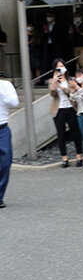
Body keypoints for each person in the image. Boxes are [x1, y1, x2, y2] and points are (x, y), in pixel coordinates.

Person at [48, 59, 83, 168]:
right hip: (59, 109)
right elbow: (52, 93)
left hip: (71, 107)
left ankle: (79, 156)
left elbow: (72, 91)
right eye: (58, 67)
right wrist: (55, 81)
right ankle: (64, 158)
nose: (60, 69)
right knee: (61, 134)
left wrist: (63, 87)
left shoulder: (71, 79)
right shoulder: (52, 80)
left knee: (75, 132)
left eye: (62, 66)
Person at [0, 77, 19, 208]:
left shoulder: (5, 85)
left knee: (5, 162)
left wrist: (2, 93)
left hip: (2, 128)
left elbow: (15, 103)